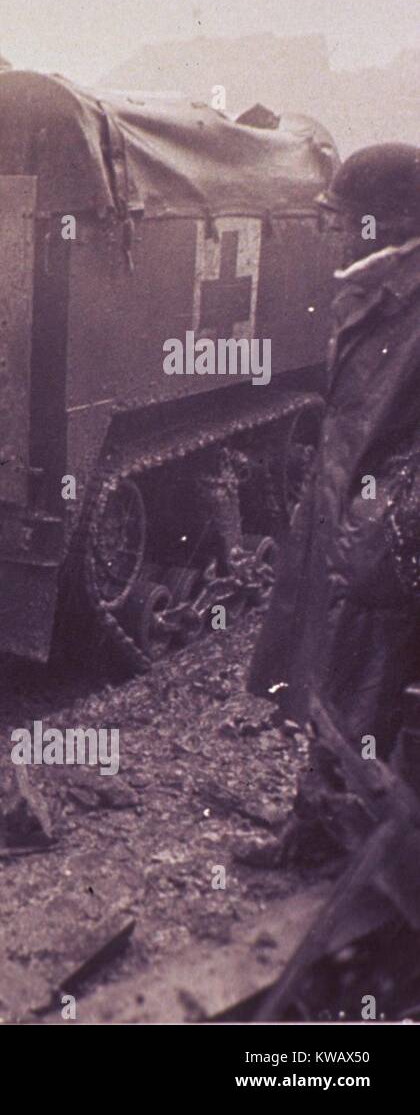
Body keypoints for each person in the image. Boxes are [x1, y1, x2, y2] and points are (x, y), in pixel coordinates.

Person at [248, 143, 420, 859]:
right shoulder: (377, 288)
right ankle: (318, 831)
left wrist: (378, 525)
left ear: (389, 223)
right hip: (348, 524)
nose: (339, 235)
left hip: (386, 542)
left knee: (367, 696)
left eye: (349, 221)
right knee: (331, 683)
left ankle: (363, 859)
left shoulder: (404, 299)